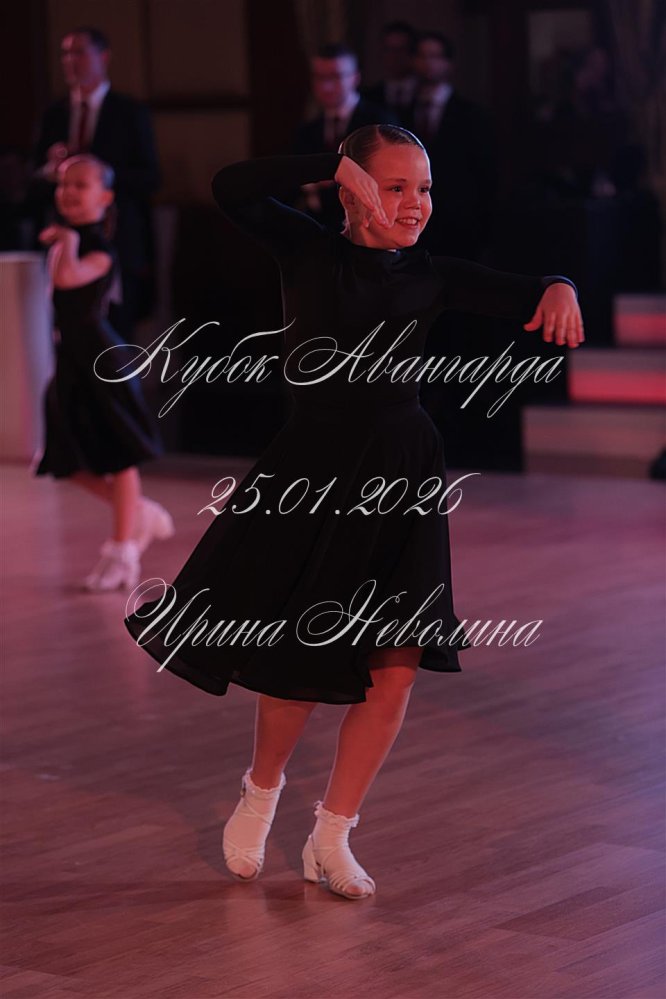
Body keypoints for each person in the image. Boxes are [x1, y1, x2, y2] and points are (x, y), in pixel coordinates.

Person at [124, 125, 583, 900]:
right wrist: (327, 164)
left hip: (403, 476)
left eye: (424, 188)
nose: (414, 203)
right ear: (352, 188)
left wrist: (560, 284)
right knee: (301, 659)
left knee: (394, 670)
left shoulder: (431, 274)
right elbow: (232, 186)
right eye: (394, 186)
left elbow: (527, 288)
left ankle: (332, 835)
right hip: (316, 472)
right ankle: (260, 793)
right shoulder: (308, 251)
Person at [32, 154, 173, 591]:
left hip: (101, 361)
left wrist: (66, 241)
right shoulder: (71, 240)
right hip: (71, 361)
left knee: (119, 457)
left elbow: (68, 279)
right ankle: (140, 512)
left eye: (81, 185)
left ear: (105, 197)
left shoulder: (99, 247)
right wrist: (64, 240)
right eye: (63, 184)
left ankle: (123, 550)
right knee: (62, 458)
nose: (69, 192)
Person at [30, 26, 161, 336]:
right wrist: (52, 169)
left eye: (79, 52)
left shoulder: (130, 112)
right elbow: (33, 180)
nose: (70, 61)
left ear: (103, 57)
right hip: (64, 237)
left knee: (116, 333)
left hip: (116, 238)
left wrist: (95, 174)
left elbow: (150, 177)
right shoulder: (54, 114)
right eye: (65, 54)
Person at [407, 31, 497, 259]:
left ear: (448, 63)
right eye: (422, 55)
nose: (428, 62)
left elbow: (485, 174)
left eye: (435, 56)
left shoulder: (472, 114)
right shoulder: (402, 111)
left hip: (460, 224)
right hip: (414, 223)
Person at [292, 43, 399, 227]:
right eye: (319, 77)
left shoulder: (379, 123)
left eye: (335, 77)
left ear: (355, 78)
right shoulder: (308, 129)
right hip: (320, 227)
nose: (326, 87)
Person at [362, 21, 419, 122]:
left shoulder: (425, 95)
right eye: (389, 49)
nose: (395, 56)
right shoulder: (369, 97)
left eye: (401, 49)